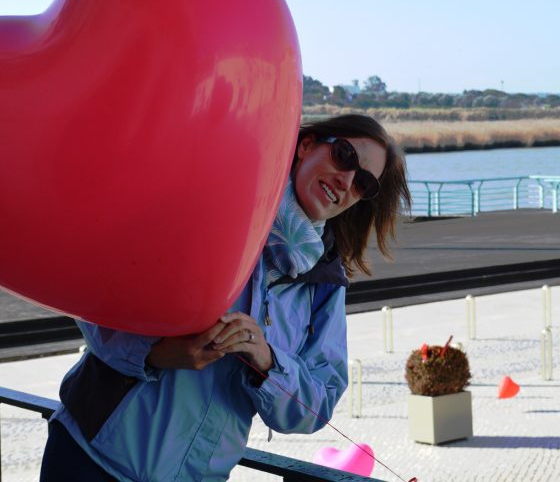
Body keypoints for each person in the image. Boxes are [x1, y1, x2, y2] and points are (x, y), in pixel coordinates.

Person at [40, 114, 411, 481]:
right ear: (307, 145)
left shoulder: (325, 284)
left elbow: (317, 405)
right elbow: (95, 289)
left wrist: (268, 362)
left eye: (364, 182)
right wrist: (152, 353)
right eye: (344, 156)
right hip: (90, 457)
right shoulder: (215, 196)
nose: (346, 181)